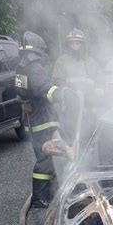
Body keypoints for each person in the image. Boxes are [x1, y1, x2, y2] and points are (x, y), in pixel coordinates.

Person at [15, 31, 73, 208]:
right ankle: (40, 198)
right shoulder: (34, 68)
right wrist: (62, 93)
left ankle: (48, 191)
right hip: (41, 120)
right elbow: (44, 89)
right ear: (38, 49)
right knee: (45, 159)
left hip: (33, 120)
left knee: (47, 155)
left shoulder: (21, 67)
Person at [52, 28, 101, 145]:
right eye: (71, 43)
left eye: (77, 43)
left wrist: (98, 93)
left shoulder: (92, 62)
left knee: (90, 139)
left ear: (83, 44)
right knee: (70, 139)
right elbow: (56, 82)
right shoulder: (62, 62)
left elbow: (100, 82)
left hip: (89, 109)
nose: (74, 45)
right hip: (69, 110)